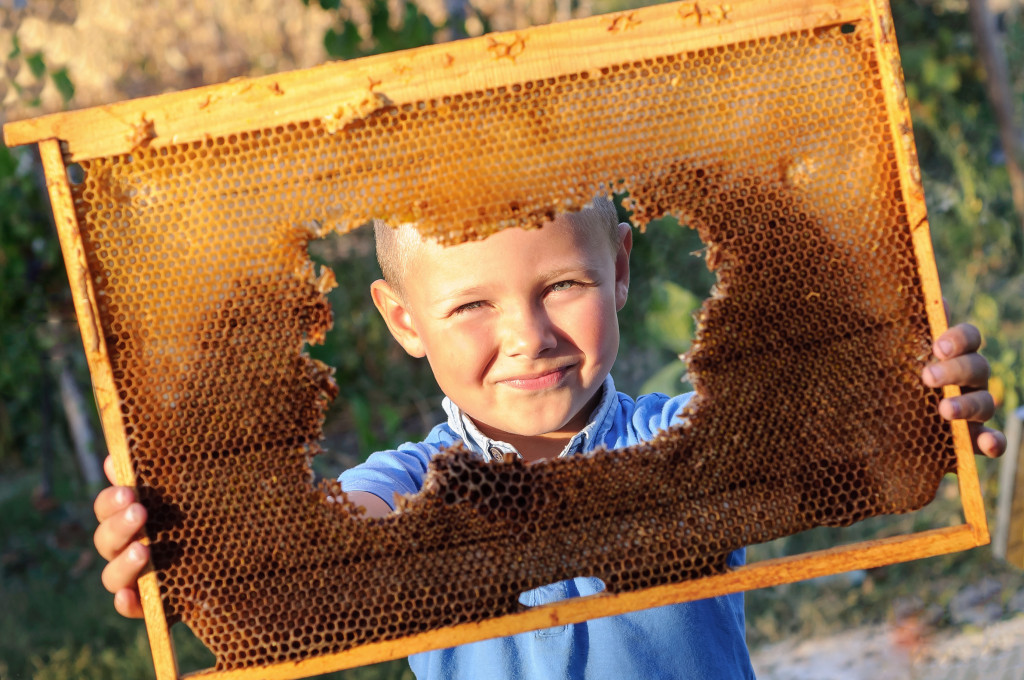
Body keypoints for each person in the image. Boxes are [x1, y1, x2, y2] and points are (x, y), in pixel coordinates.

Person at [94, 198, 1006, 679]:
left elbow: (814, 438)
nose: (528, 335)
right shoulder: (403, 484)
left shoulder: (676, 441)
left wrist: (921, 399)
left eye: (562, 285)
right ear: (404, 319)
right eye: (472, 305)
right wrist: (180, 544)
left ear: (618, 268)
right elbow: (314, 550)